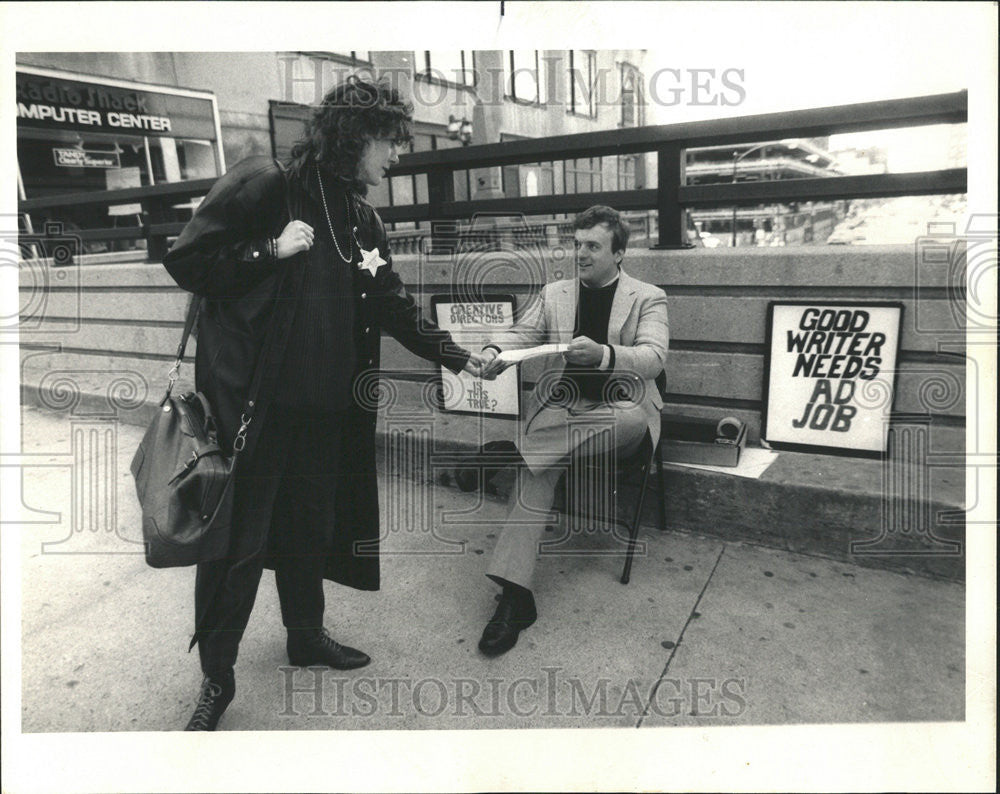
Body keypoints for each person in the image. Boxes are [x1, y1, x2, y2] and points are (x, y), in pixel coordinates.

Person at [162, 77, 483, 730]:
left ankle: (305, 636)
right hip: (260, 408)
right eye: (390, 141)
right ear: (353, 137)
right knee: (240, 546)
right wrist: (267, 251)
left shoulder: (361, 218)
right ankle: (216, 678)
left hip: (328, 412)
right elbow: (189, 259)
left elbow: (389, 300)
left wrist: (457, 354)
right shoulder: (267, 185)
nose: (398, 154)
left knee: (309, 529)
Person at [476, 205, 668, 657]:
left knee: (630, 419)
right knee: (539, 467)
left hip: (620, 413)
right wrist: (492, 350)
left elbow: (654, 358)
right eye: (577, 245)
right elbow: (522, 335)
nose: (580, 254)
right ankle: (514, 597)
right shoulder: (556, 292)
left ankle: (510, 453)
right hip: (565, 412)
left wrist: (603, 354)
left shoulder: (648, 297)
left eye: (592, 246)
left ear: (619, 253)